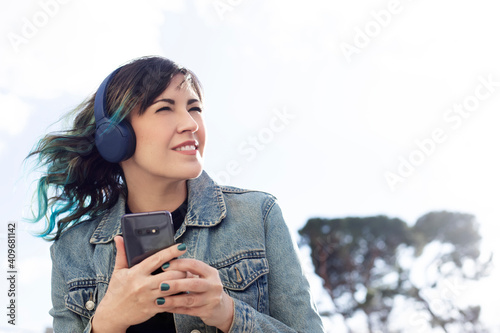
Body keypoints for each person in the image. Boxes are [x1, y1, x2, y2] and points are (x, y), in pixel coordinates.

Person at [28, 56, 325, 332]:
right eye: (165, 108)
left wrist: (228, 313)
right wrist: (106, 323)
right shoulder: (72, 250)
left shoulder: (258, 214)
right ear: (115, 136)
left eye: (194, 108)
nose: (190, 124)